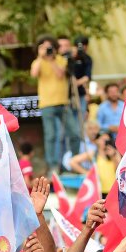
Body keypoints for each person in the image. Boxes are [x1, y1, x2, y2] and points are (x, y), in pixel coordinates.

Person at [30, 35, 75, 172]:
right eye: (44, 47)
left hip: (63, 103)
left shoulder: (61, 59)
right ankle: (53, 165)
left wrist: (51, 59)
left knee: (74, 132)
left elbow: (60, 74)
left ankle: (74, 161)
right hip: (47, 104)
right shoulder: (37, 62)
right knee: (50, 135)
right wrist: (40, 56)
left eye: (49, 47)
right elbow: (33, 74)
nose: (47, 50)